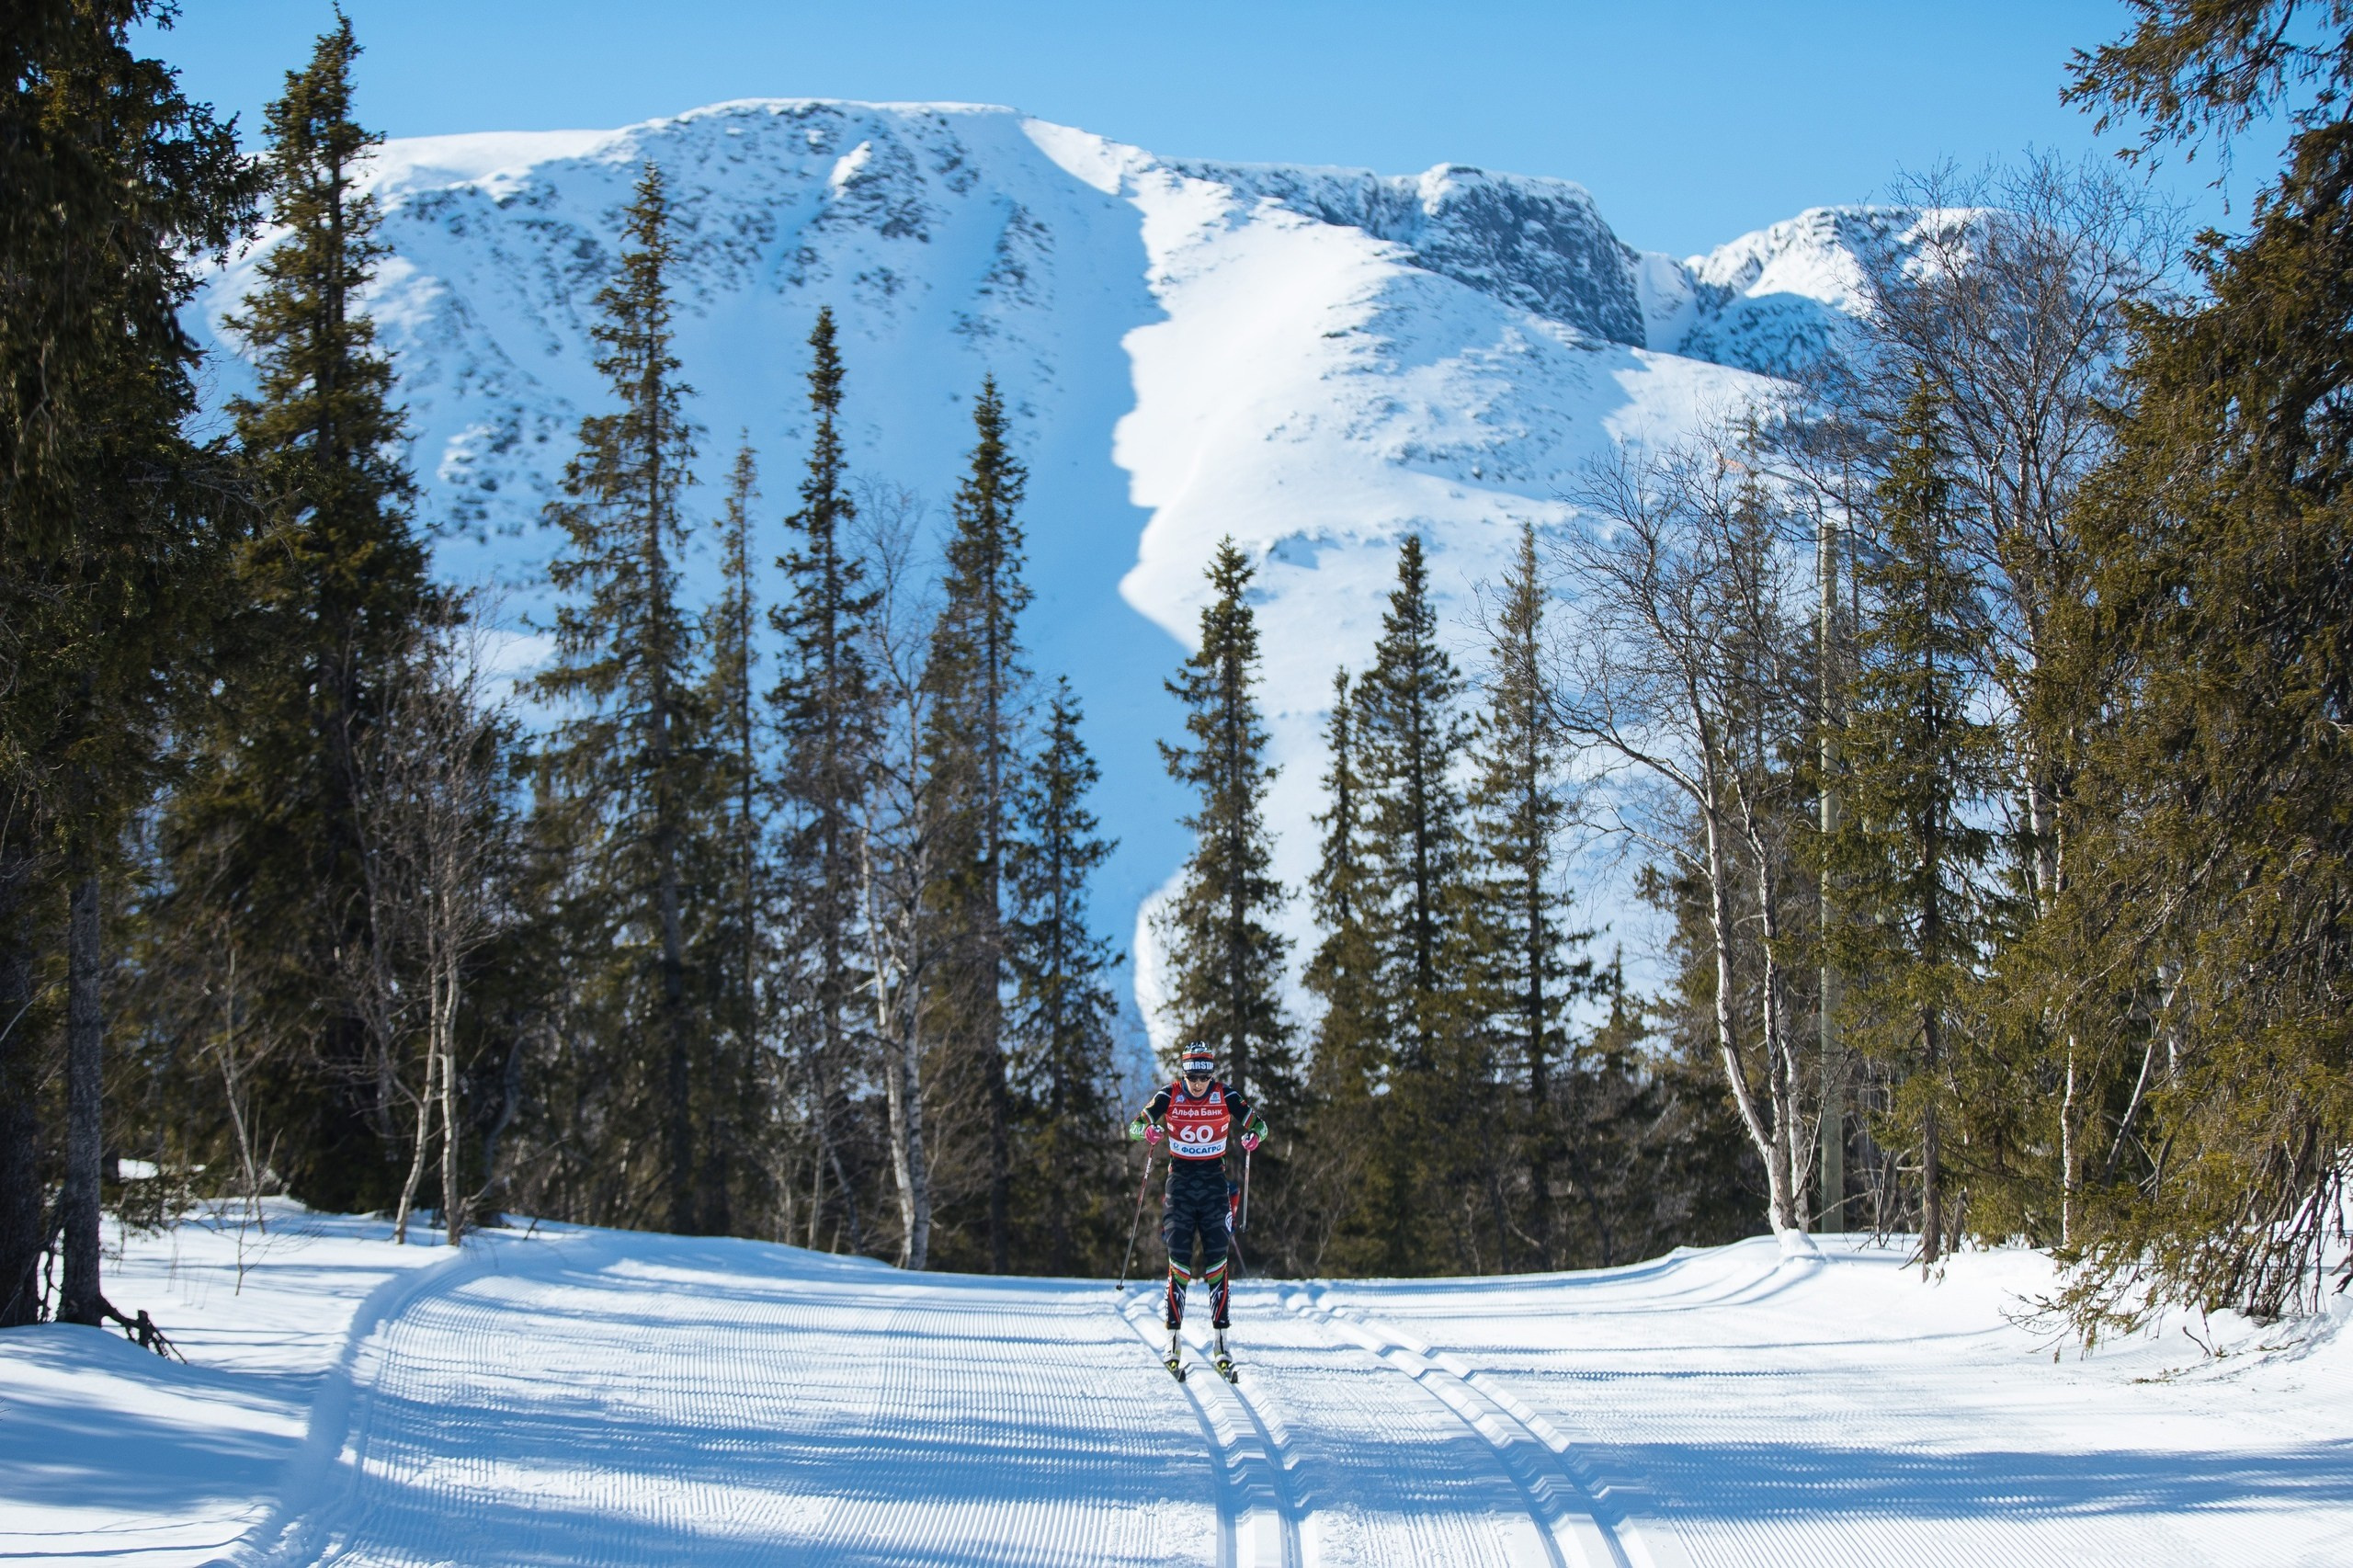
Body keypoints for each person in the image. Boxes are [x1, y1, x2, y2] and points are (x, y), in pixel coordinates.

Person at [1126, 1042, 1267, 1378]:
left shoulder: (1225, 1094)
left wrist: (1253, 1137)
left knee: (1218, 1262)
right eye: (1193, 1076)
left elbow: (1260, 1125)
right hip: (1181, 1186)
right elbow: (1133, 1127)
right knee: (1180, 1264)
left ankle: (1221, 1343)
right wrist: (1148, 1130)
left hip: (1215, 1186)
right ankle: (1172, 1341)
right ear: (1184, 1072)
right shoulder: (1169, 1094)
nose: (1199, 1083)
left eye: (1205, 1076)